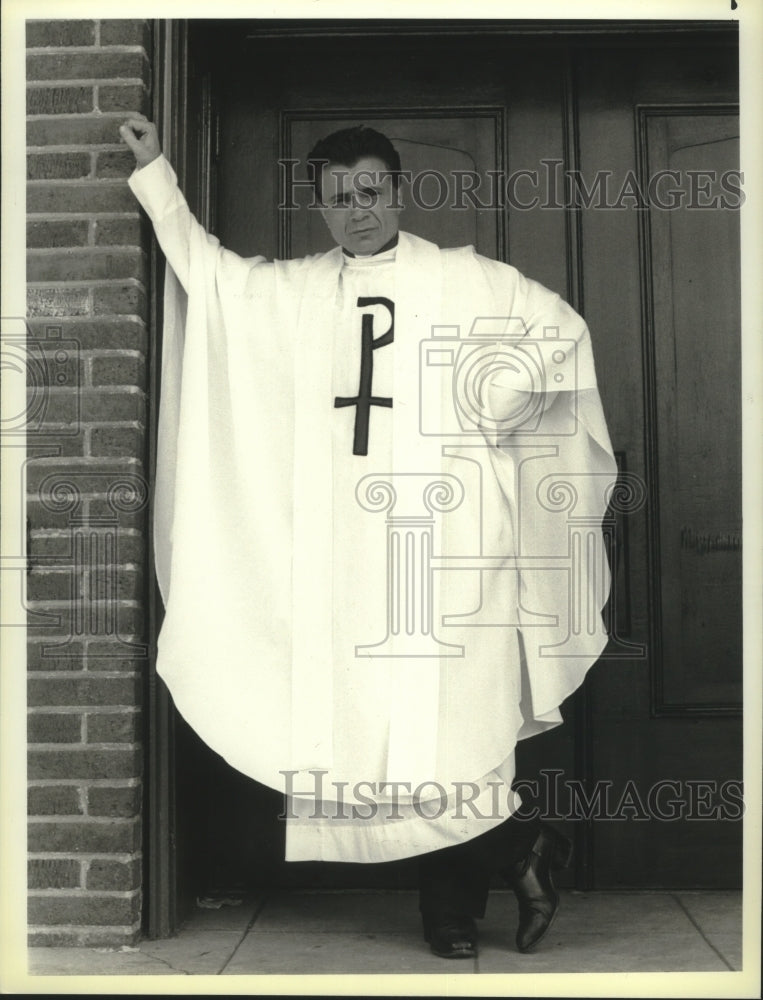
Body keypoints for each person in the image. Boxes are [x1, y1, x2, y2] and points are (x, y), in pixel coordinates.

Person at [121, 113, 617, 959]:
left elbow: (559, 339)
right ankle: (520, 854)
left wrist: (483, 410)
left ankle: (454, 912)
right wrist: (157, 173)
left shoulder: (471, 284)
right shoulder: (293, 294)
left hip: (453, 552)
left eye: (371, 191)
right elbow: (209, 276)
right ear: (319, 206)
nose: (358, 209)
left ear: (397, 192)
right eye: (339, 197)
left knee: (455, 734)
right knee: (366, 737)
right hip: (343, 559)